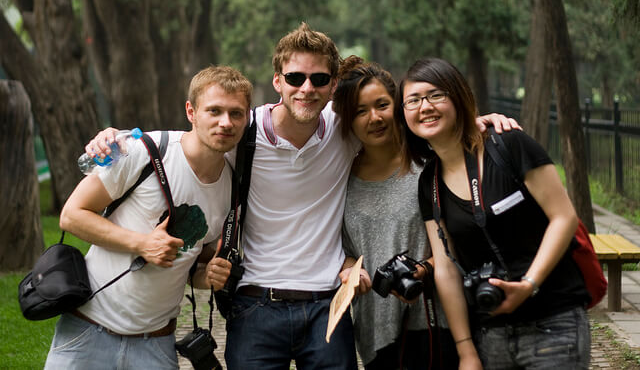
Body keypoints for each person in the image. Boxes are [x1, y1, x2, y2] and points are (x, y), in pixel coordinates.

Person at [89, 23, 517, 369]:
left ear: (333, 85)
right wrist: (119, 138)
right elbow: (194, 135)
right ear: (278, 81)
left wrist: (474, 122)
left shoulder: (345, 128)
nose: (306, 88)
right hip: (254, 305)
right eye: (295, 78)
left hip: (326, 308)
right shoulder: (243, 131)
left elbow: (400, 114)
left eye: (318, 79)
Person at [44, 66, 252, 370]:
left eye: (236, 113)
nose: (226, 122)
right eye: (214, 111)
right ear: (191, 112)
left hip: (155, 344)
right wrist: (141, 243)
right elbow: (72, 215)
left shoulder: (232, 188)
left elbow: (192, 261)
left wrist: (207, 277)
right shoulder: (143, 152)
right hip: (87, 329)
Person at [398, 57, 591, 369]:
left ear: (458, 96)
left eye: (436, 95)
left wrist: (529, 284)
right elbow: (446, 269)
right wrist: (465, 351)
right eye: (413, 100)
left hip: (553, 321)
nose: (425, 107)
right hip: (490, 333)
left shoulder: (508, 144)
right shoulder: (428, 182)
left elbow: (563, 217)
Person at [332, 55, 458, 369]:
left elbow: (458, 236)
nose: (374, 118)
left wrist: (424, 270)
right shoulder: (340, 175)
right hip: (375, 329)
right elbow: (348, 249)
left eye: (382, 105)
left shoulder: (429, 164)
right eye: (360, 111)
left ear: (397, 104)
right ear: (348, 119)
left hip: (436, 323)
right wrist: (350, 272)